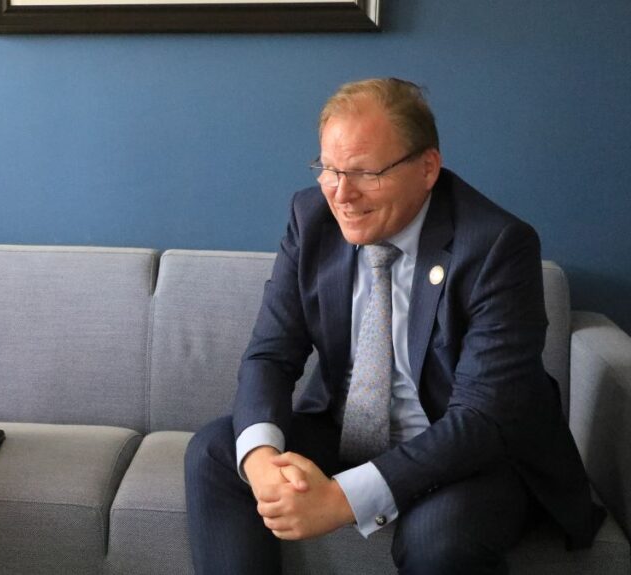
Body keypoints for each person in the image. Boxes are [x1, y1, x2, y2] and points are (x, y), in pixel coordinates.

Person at [184, 78, 604, 574]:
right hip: (348, 430)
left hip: (468, 452)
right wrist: (262, 464)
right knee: (216, 451)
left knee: (438, 542)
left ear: (427, 168)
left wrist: (340, 499)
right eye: (330, 170)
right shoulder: (311, 217)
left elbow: (483, 419)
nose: (342, 194)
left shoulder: (497, 245)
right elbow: (270, 355)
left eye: (364, 172)